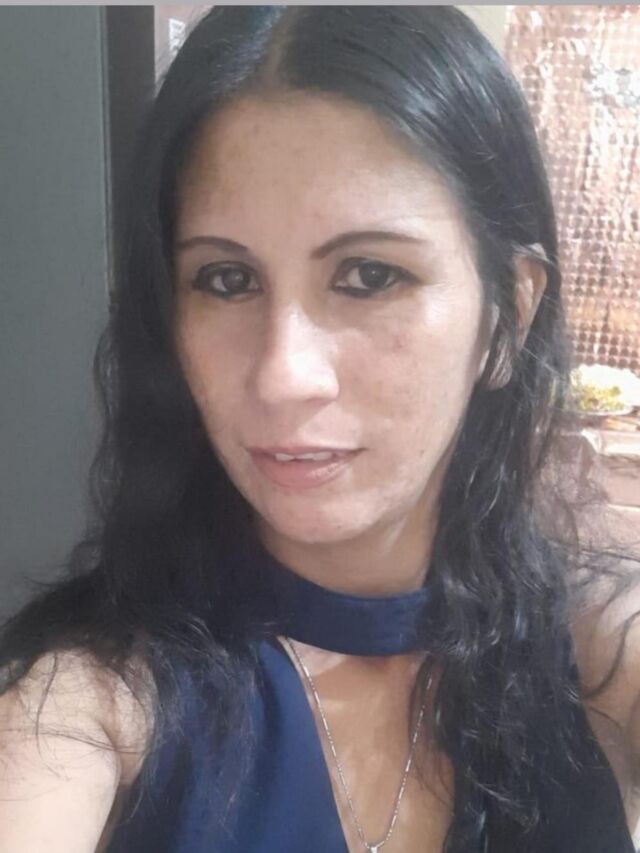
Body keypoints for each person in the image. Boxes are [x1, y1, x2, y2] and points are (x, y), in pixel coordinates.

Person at [0, 6, 639, 852]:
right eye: (226, 280)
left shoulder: (600, 651)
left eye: (369, 275)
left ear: (506, 320)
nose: (283, 374)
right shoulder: (91, 709)